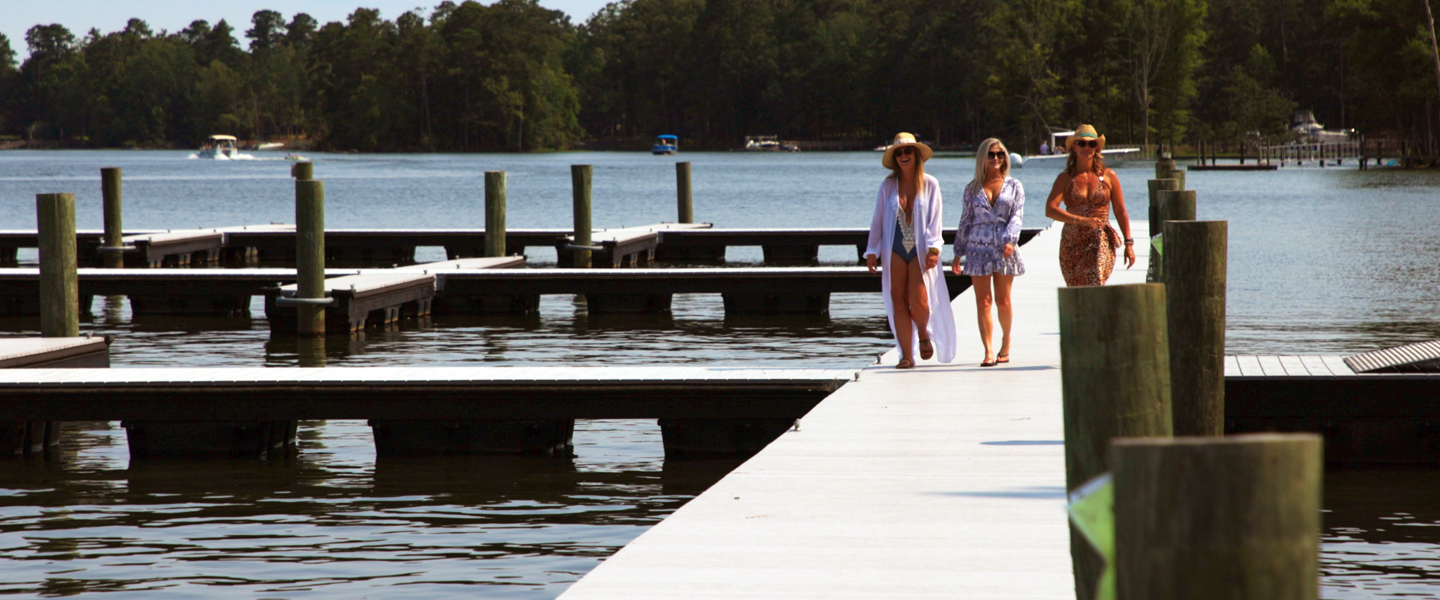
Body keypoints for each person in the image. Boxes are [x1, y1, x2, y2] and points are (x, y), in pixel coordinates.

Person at [864, 132, 957, 369]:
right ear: (894, 158)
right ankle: (906, 355)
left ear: (915, 155)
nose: (903, 156)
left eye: (907, 151)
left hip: (921, 249)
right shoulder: (887, 186)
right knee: (898, 301)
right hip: (893, 248)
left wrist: (935, 249)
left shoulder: (931, 184)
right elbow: (877, 220)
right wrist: (872, 250)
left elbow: (936, 219)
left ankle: (924, 334)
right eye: (899, 153)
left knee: (918, 299)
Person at [952, 138, 1024, 367]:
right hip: (977, 246)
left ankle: (1006, 342)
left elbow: (1017, 216)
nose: (995, 158)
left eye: (1000, 154)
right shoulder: (972, 188)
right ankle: (988, 351)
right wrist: (957, 252)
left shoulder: (1014, 186)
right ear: (982, 157)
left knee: (1003, 301)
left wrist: (1011, 241)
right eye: (991, 154)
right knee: (983, 301)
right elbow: (965, 221)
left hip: (1004, 246)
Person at [1044, 124, 1135, 286]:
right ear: (1074, 147)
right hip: (1072, 242)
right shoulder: (1065, 178)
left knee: (1096, 283)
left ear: (1097, 148)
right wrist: (1080, 220)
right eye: (1082, 143)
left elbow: (1120, 211)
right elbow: (1050, 210)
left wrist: (1129, 243)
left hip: (1100, 240)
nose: (1087, 147)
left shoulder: (1109, 176)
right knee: (1076, 291)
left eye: (1091, 144)